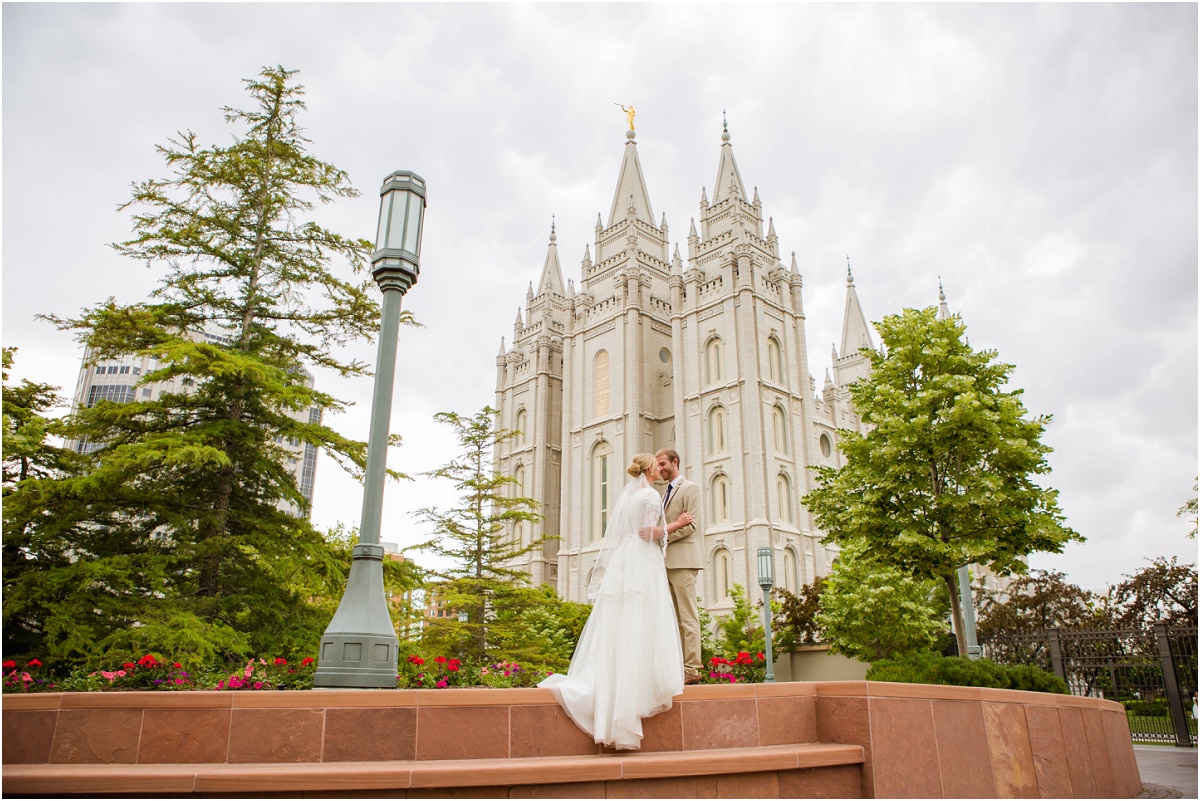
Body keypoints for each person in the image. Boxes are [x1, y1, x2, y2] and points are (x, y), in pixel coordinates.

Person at [539, 453, 693, 750]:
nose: (660, 471)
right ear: (649, 469)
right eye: (656, 467)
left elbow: (624, 534)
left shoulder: (627, 497)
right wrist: (677, 523)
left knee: (622, 621)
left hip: (625, 559)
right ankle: (637, 688)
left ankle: (617, 687)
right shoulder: (649, 497)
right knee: (643, 618)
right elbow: (649, 533)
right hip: (643, 559)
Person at [655, 448, 703, 684]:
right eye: (658, 465)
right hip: (666, 563)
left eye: (663, 464)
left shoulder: (690, 488)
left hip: (684, 562)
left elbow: (690, 526)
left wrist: (660, 535)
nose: (660, 468)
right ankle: (680, 666)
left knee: (688, 617)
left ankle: (692, 669)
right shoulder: (665, 493)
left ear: (675, 462)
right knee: (673, 618)